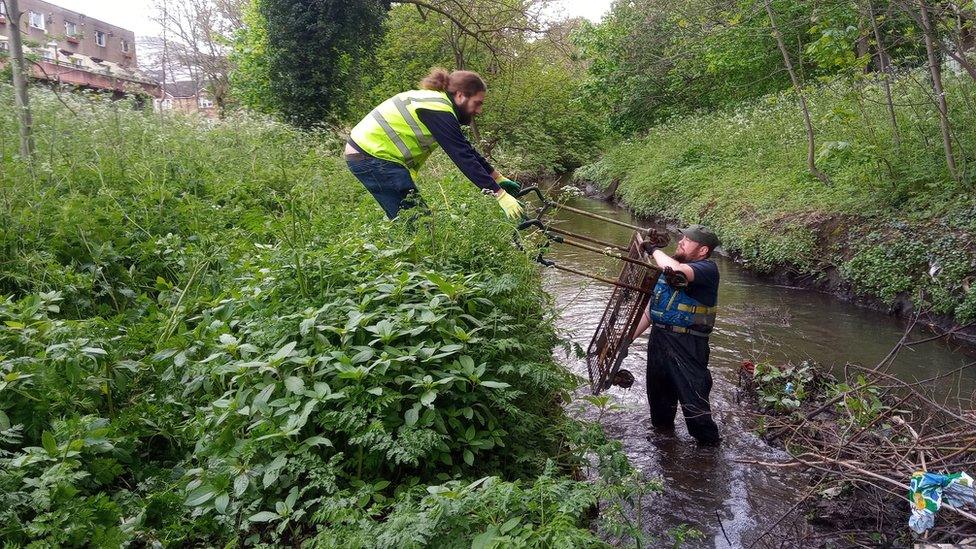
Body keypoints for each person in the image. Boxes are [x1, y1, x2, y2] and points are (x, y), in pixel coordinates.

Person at [344, 68, 524, 220]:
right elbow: (461, 155)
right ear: (460, 96)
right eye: (477, 104)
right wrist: (499, 194)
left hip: (371, 156)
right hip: (372, 157)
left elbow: (465, 147)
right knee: (416, 221)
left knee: (414, 220)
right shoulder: (438, 109)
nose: (479, 111)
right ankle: (412, 260)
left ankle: (412, 258)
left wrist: (497, 177)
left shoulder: (438, 104)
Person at [630, 225, 722, 445]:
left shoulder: (707, 270)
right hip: (659, 340)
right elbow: (653, 310)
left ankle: (709, 455)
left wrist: (652, 249)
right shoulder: (669, 268)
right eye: (682, 237)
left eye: (688, 240)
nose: (680, 241)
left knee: (695, 407)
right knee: (659, 407)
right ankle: (665, 449)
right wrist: (627, 339)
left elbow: (677, 271)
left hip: (688, 344)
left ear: (703, 250)